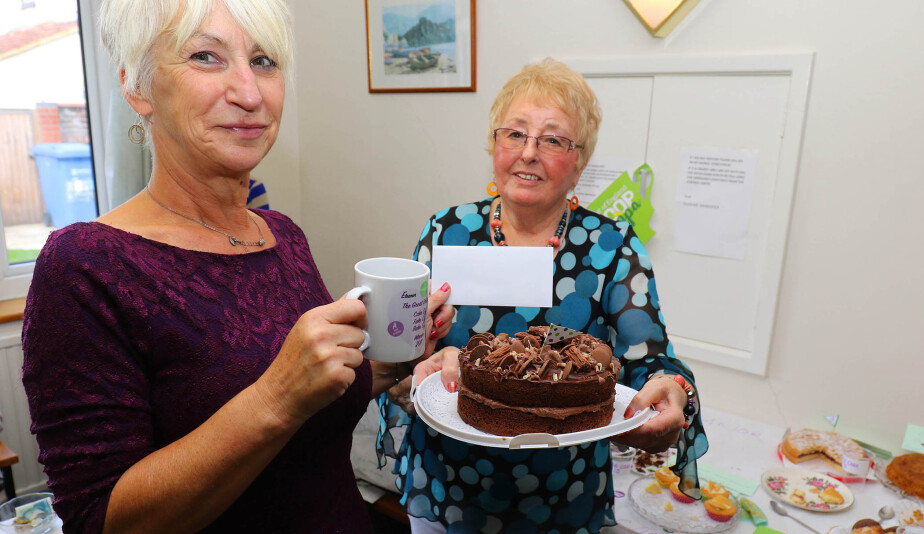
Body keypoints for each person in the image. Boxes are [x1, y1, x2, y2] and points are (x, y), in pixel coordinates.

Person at [20, 1, 453, 533]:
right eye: (206, 56)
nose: (250, 94)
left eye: (264, 61)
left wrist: (396, 360)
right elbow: (101, 520)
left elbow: (316, 409)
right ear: (136, 86)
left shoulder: (282, 236)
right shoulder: (85, 267)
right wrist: (278, 397)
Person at [377, 58, 709, 533]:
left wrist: (673, 391)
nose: (529, 152)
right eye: (515, 133)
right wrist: (417, 359)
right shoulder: (446, 231)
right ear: (494, 144)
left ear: (580, 163)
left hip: (563, 496)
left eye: (553, 140)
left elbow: (653, 362)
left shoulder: (611, 246)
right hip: (448, 488)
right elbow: (401, 366)